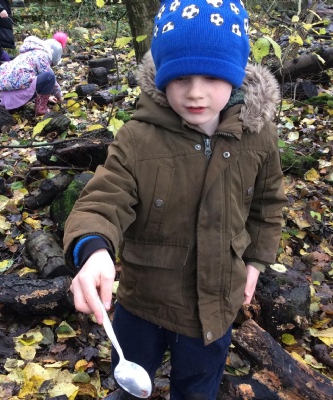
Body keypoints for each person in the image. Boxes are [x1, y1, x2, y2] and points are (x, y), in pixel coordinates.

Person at [63, 0, 287, 398]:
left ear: (235, 74)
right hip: (143, 302)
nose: (196, 92)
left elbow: (267, 205)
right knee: (130, 385)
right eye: (181, 76)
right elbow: (104, 197)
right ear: (163, 74)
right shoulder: (138, 137)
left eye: (212, 76)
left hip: (214, 306)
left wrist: (255, 262)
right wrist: (94, 250)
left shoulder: (258, 135)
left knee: (198, 388)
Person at [0, 32, 68, 116]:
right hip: (17, 94)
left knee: (38, 76)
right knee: (49, 76)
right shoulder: (42, 56)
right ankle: (41, 108)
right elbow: (48, 79)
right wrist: (59, 96)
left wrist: (48, 97)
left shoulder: (28, 53)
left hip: (5, 93)